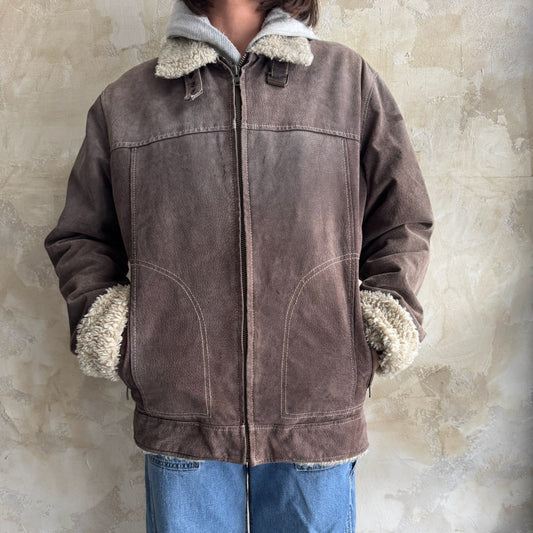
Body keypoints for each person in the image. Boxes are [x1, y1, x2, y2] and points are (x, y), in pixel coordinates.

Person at [43, 0, 434, 530]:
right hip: (182, 411)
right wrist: (121, 333)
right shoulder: (129, 101)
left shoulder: (347, 83)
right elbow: (81, 237)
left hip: (316, 406)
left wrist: (382, 317)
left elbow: (403, 220)